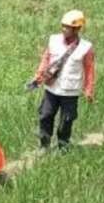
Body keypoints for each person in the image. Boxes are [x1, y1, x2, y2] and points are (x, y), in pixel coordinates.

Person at [31, 10, 96, 149]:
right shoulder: (53, 40)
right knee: (45, 116)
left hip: (70, 92)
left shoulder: (86, 48)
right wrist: (39, 75)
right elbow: (46, 58)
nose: (64, 29)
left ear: (77, 29)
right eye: (63, 26)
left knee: (66, 121)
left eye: (67, 27)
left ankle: (63, 146)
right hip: (52, 88)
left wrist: (89, 89)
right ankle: (44, 146)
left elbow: (89, 70)